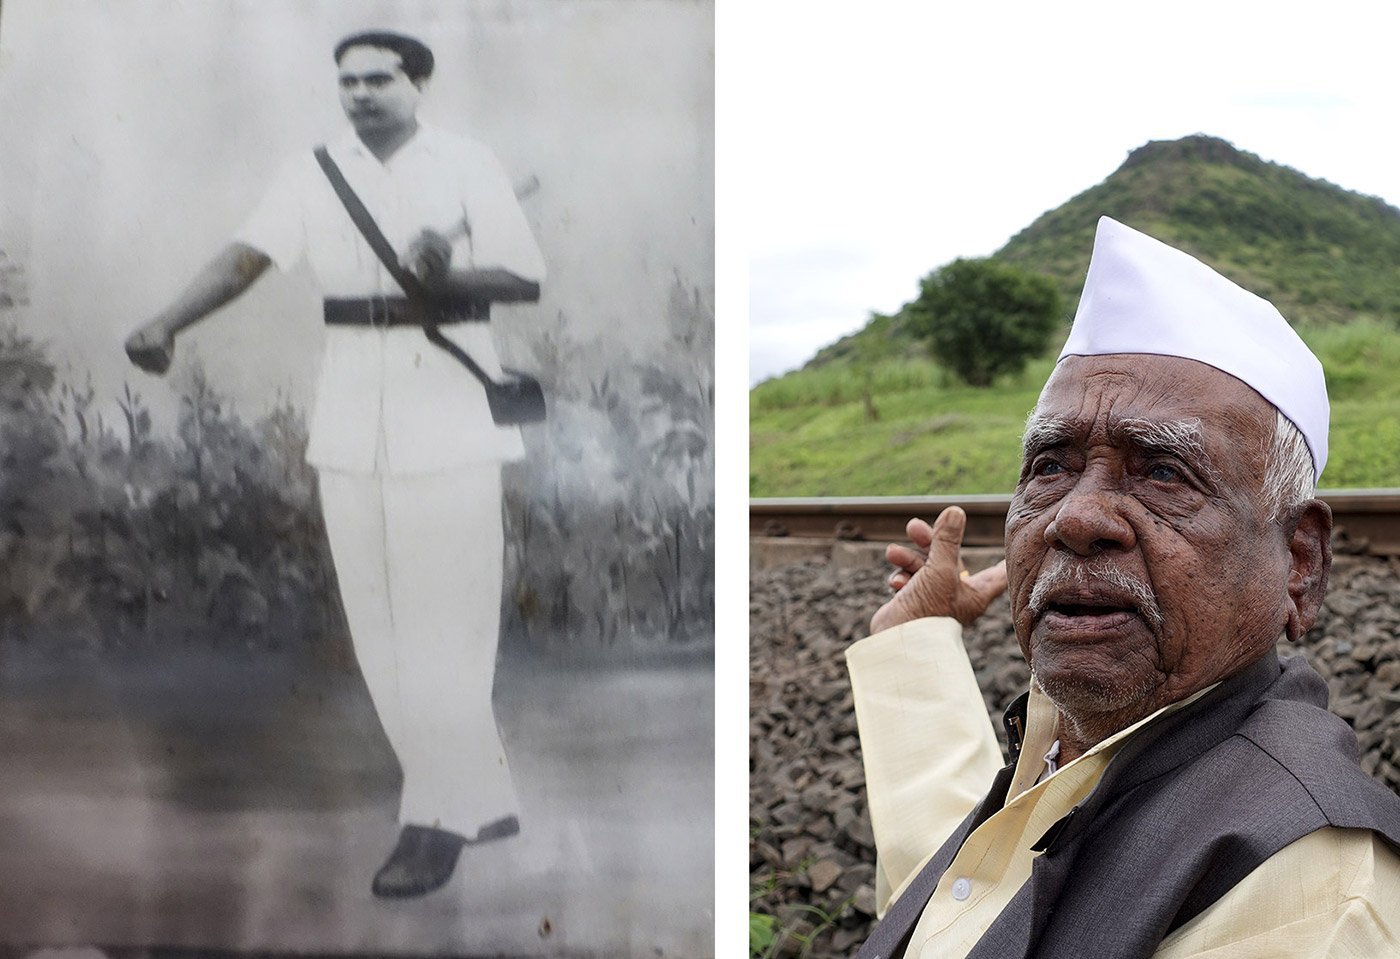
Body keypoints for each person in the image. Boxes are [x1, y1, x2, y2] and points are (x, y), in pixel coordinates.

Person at [848, 217, 1400, 958]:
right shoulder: (1080, 745)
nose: (1076, 516)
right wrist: (912, 641)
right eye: (1051, 464)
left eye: (1163, 471)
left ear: (1299, 561)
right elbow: (970, 910)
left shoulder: (1310, 898)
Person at [124, 29, 545, 899]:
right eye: (347, 81)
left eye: (379, 79)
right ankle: (482, 794)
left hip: (451, 414)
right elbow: (246, 256)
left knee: (450, 626)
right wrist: (167, 320)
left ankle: (434, 820)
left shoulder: (467, 163)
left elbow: (523, 275)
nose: (360, 93)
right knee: (382, 631)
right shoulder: (312, 170)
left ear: (417, 83)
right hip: (352, 416)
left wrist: (446, 267)